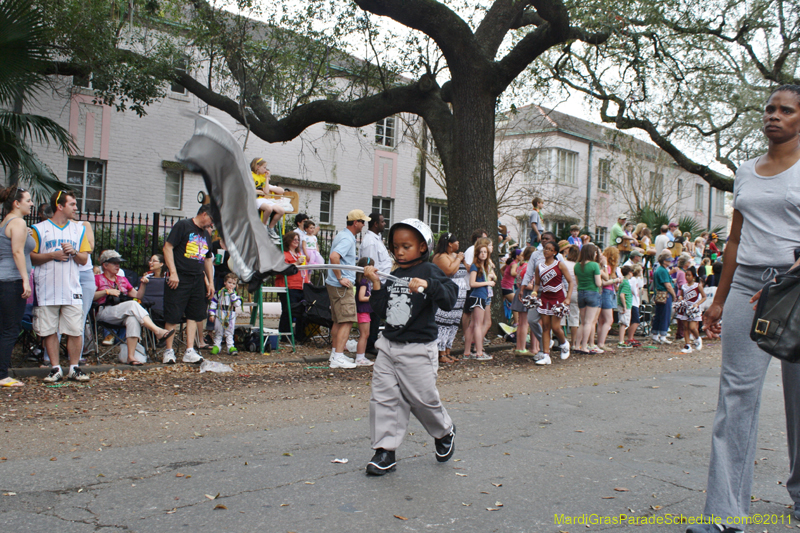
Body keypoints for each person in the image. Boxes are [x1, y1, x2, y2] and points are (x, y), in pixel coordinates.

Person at [688, 85, 800, 533]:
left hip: (795, 285)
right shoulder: (745, 172)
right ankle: (724, 514)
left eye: (786, 110)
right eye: (770, 109)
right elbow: (733, 239)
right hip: (748, 284)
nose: (774, 115)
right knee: (735, 396)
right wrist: (718, 299)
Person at [362, 219, 458, 476]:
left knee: (422, 400)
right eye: (396, 246)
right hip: (388, 346)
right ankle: (385, 451)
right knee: (383, 398)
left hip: (418, 349)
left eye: (407, 246)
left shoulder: (429, 270)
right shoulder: (394, 274)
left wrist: (429, 285)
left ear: (423, 247)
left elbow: (450, 298)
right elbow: (385, 313)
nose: (400, 251)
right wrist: (377, 285)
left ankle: (444, 430)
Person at [31, 190, 92, 382]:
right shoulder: (38, 229)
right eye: (72, 204)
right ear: (60, 206)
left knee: (74, 329)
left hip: (71, 288)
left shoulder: (79, 229)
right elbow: (31, 257)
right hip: (47, 287)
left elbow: (84, 259)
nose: (76, 208)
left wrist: (74, 251)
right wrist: (52, 255)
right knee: (49, 329)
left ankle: (74, 367)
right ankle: (55, 368)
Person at [94, 250, 175, 364]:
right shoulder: (97, 278)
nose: (118, 266)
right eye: (114, 263)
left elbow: (138, 296)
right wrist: (106, 291)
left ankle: (131, 356)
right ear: (105, 265)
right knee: (132, 305)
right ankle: (157, 331)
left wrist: (143, 284)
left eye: (119, 263)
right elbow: (90, 297)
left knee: (132, 318)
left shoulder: (122, 279)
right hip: (105, 311)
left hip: (122, 311)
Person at [161, 204, 215, 365]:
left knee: (194, 314)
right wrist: (173, 272)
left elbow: (207, 259)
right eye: (212, 219)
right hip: (180, 276)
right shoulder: (183, 225)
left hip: (197, 278)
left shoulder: (206, 234)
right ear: (204, 214)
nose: (211, 224)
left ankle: (190, 350)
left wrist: (210, 282)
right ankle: (168, 351)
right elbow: (168, 247)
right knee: (173, 313)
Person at [326, 209, 369, 370]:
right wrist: (340, 278)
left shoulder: (343, 236)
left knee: (338, 320)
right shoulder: (347, 239)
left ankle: (335, 353)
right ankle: (337, 357)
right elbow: (334, 257)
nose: (364, 224)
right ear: (355, 222)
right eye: (362, 221)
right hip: (341, 286)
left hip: (335, 285)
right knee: (347, 320)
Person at [0, 186, 34, 387]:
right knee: (10, 330)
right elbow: (17, 253)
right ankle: (3, 375)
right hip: (12, 281)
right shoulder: (18, 222)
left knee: (4, 328)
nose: (31, 203)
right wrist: (25, 279)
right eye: (28, 200)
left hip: (4, 280)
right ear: (17, 203)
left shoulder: (6, 222)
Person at [531, 241, 572, 364]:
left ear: (555, 252)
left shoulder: (560, 265)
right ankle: (546, 356)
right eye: (545, 249)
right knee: (545, 327)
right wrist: (534, 292)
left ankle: (564, 343)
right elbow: (537, 283)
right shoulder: (539, 266)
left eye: (549, 249)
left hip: (558, 297)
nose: (546, 251)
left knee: (555, 327)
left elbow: (570, 281)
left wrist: (568, 298)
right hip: (545, 298)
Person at [358, 212, 392, 354]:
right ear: (376, 224)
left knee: (377, 315)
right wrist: (373, 284)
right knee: (374, 315)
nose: (385, 224)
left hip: (382, 281)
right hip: (376, 282)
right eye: (383, 221)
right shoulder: (370, 242)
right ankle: (370, 345)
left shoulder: (377, 239)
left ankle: (372, 342)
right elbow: (370, 264)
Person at [433, 233, 467, 363]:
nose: (458, 244)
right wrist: (458, 259)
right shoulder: (440, 257)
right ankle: (440, 353)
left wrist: (462, 259)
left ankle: (448, 350)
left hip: (459, 296)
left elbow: (467, 269)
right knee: (444, 323)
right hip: (447, 293)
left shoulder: (454, 256)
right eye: (456, 242)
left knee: (453, 323)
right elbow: (450, 271)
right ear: (449, 244)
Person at [275, 232, 309, 344]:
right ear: (288, 241)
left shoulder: (299, 254)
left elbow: (304, 270)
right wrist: (295, 263)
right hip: (288, 286)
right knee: (288, 310)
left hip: (300, 285)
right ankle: (285, 335)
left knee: (301, 311)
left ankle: (299, 334)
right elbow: (281, 269)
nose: (296, 241)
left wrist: (307, 282)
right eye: (294, 239)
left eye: (298, 239)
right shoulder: (283, 255)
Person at [466, 240, 494, 361]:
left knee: (473, 325)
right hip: (477, 296)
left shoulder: (484, 266)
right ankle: (479, 352)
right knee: (477, 325)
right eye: (481, 252)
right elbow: (472, 283)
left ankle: (467, 352)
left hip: (482, 296)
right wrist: (487, 282)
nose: (483, 254)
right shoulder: (475, 266)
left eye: (485, 252)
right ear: (477, 254)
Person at [574, 243, 603, 354]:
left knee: (582, 322)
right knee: (589, 322)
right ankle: (585, 346)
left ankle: (577, 345)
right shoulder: (595, 265)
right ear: (592, 253)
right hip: (592, 293)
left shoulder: (577, 265)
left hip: (581, 293)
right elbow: (598, 283)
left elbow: (577, 282)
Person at [250, 157, 285, 242]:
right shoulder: (250, 175)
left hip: (261, 198)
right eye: (264, 167)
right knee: (268, 208)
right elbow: (247, 188)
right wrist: (257, 191)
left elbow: (266, 191)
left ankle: (271, 228)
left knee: (281, 211)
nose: (265, 170)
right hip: (253, 198)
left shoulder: (262, 177)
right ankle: (263, 226)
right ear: (258, 167)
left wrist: (266, 178)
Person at [208, 273, 242, 355]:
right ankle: (217, 346)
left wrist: (232, 295)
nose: (231, 285)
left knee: (229, 332)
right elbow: (213, 303)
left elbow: (237, 304)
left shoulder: (235, 295)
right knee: (218, 331)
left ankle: (230, 346)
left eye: (233, 284)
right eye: (229, 282)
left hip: (230, 314)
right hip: (220, 313)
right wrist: (212, 314)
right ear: (225, 282)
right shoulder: (219, 293)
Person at [510, 246, 535, 356]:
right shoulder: (529, 267)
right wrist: (536, 287)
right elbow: (527, 285)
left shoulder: (522, 266)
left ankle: (519, 347)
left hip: (520, 292)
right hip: (526, 294)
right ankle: (522, 347)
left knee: (521, 323)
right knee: (525, 323)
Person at [596, 246, 621, 352]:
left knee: (601, 320)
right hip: (607, 293)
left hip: (603, 292)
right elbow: (605, 282)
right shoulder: (608, 267)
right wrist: (616, 280)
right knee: (609, 319)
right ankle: (601, 343)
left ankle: (599, 342)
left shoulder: (602, 266)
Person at [676, 266, 705, 354]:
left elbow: (704, 297)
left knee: (692, 327)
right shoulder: (683, 286)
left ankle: (697, 338)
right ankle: (687, 345)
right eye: (686, 275)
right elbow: (682, 295)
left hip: (694, 309)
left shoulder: (697, 286)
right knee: (685, 327)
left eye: (689, 275)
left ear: (693, 276)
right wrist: (680, 298)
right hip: (685, 308)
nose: (687, 277)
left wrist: (697, 304)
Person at [650, 251, 676, 344]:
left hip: (659, 295)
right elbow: (668, 285)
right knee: (665, 315)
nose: (670, 262)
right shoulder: (663, 270)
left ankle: (655, 334)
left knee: (659, 314)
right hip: (665, 295)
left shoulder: (659, 270)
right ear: (664, 261)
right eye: (668, 260)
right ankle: (663, 335)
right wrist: (674, 294)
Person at [354, 257, 375, 367]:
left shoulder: (364, 282)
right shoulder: (364, 282)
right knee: (364, 335)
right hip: (362, 311)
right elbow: (361, 297)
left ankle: (361, 356)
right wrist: (372, 298)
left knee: (365, 334)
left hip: (364, 311)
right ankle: (360, 357)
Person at [563, 245, 580, 347]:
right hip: (575, 292)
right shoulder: (578, 265)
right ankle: (573, 342)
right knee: (574, 317)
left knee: (561, 317)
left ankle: (562, 341)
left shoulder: (564, 263)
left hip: (564, 291)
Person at [625, 264, 644, 347]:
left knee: (634, 320)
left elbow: (641, 285)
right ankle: (630, 337)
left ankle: (631, 337)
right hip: (633, 302)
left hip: (636, 302)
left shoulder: (636, 279)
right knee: (635, 321)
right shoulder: (632, 280)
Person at [616, 265, 633, 349]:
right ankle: (621, 341)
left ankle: (621, 340)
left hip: (622, 304)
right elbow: (622, 295)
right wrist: (625, 306)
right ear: (630, 273)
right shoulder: (626, 283)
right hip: (625, 305)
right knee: (623, 323)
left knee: (623, 322)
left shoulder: (623, 282)